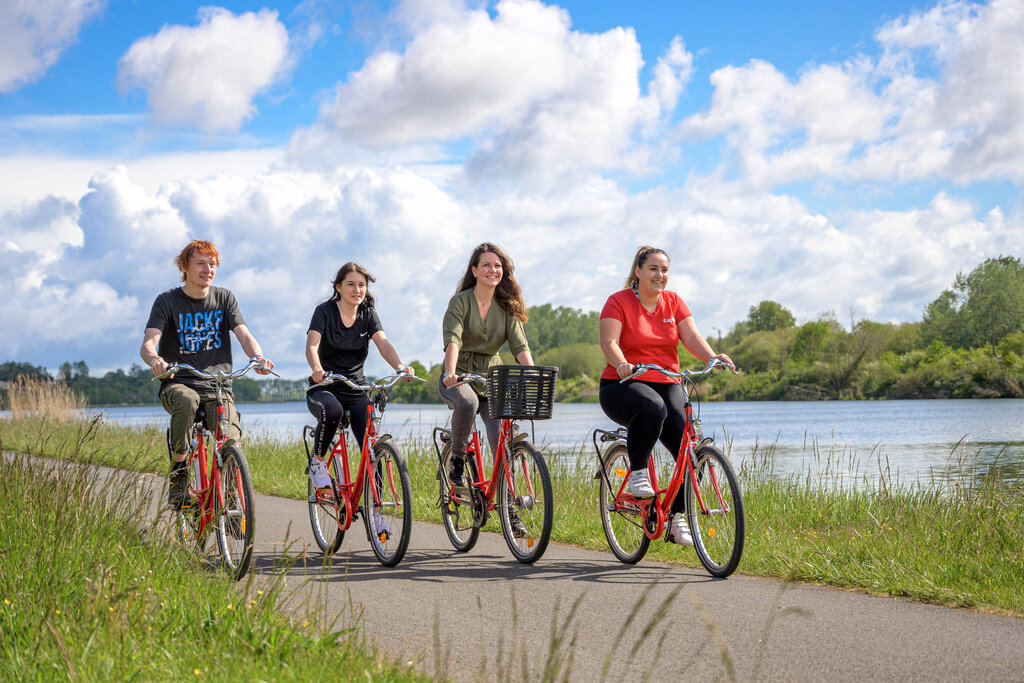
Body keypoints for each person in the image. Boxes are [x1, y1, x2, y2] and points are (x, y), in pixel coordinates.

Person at [598, 245, 733, 546]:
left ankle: (675, 517)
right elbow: (609, 341)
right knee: (651, 406)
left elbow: (692, 337)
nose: (660, 275)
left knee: (691, 452)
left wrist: (712, 357)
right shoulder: (617, 302)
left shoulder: (673, 302)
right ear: (638, 271)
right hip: (622, 384)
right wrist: (621, 363)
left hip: (667, 380)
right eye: (653, 269)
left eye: (664, 270)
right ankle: (637, 473)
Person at [140, 239, 274, 508]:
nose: (207, 269)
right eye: (200, 263)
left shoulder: (224, 298)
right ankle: (179, 474)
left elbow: (244, 334)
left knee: (231, 441)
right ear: (185, 267)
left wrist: (257, 357)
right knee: (187, 402)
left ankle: (233, 500)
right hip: (179, 382)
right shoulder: (167, 301)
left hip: (217, 386)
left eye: (212, 264)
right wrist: (155, 360)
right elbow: (148, 343)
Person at [304, 262, 414, 528]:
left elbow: (383, 343)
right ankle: (318, 464)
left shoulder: (368, 314)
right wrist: (317, 368)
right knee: (333, 412)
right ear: (339, 287)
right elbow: (312, 344)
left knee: (372, 448)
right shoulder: (325, 312)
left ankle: (376, 515)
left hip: (356, 387)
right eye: (351, 284)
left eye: (362, 285)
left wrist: (399, 367)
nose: (357, 289)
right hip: (325, 387)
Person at [439, 243, 534, 494]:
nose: (493, 270)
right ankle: (457, 458)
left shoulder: (507, 307)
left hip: (491, 379)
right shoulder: (460, 301)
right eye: (486, 265)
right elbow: (453, 340)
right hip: (459, 374)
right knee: (468, 402)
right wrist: (450, 372)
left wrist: (532, 371)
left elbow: (520, 346)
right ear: (474, 270)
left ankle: (507, 504)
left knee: (501, 443)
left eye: (497, 265)